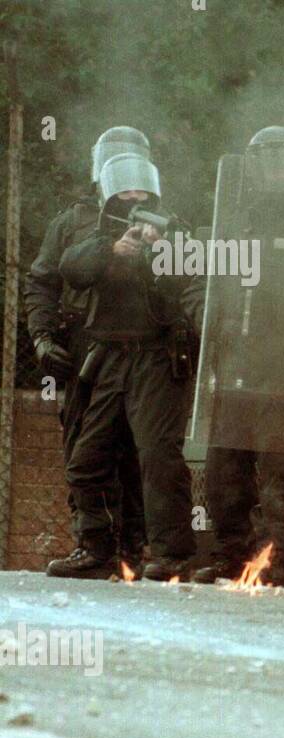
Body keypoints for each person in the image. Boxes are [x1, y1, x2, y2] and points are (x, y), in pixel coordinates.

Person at [58, 152, 201, 581]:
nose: (133, 197)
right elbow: (71, 268)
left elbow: (193, 282)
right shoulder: (98, 233)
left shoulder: (175, 231)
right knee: (87, 458)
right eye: (125, 189)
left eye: (140, 189)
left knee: (157, 456)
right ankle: (97, 549)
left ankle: (172, 554)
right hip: (108, 358)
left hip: (156, 358)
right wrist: (113, 250)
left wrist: (160, 253)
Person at [190, 127, 284, 587]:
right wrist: (203, 323)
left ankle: (279, 560)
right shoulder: (236, 222)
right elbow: (203, 287)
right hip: (237, 368)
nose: (277, 169)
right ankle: (230, 556)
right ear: (251, 166)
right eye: (268, 159)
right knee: (226, 470)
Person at [29, 127, 149, 578]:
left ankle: (137, 549)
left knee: (139, 450)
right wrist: (43, 338)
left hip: (140, 348)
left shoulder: (158, 219)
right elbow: (42, 283)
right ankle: (95, 544)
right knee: (84, 447)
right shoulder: (71, 222)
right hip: (83, 348)